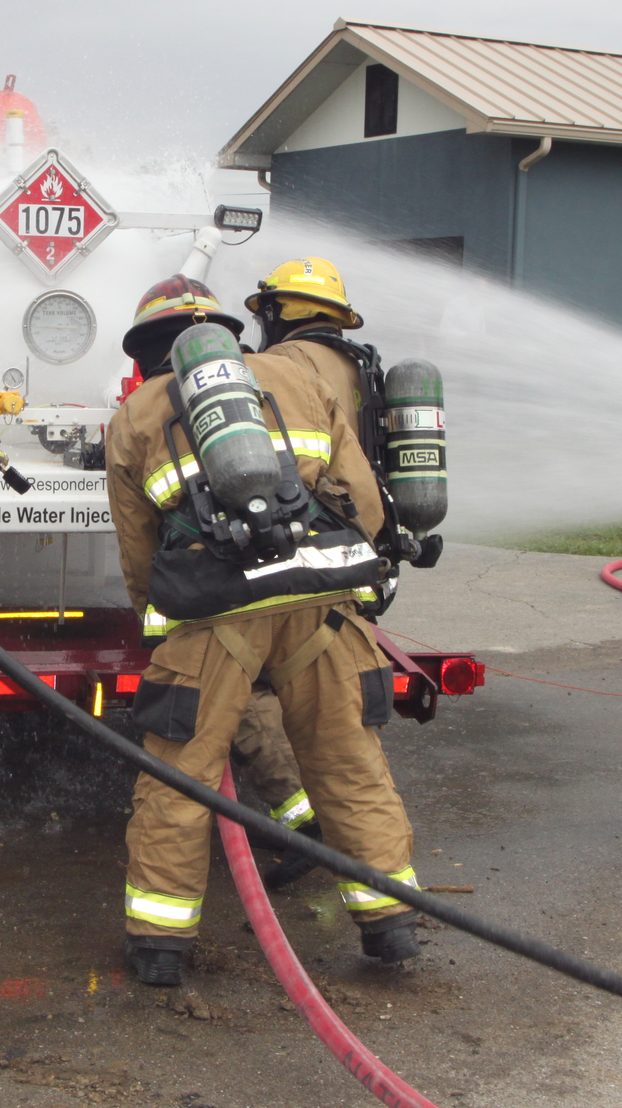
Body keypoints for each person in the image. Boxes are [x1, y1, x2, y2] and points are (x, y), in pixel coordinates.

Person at [105, 274, 419, 986]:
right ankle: (392, 924)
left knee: (178, 781)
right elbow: (364, 503)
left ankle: (158, 948)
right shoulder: (298, 378)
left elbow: (138, 548)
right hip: (325, 610)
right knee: (350, 764)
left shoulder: (136, 414)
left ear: (149, 349)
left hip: (213, 622)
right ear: (227, 332)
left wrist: (161, 631)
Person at [234, 257, 378, 889]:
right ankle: (365, 853)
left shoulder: (284, 370)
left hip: (298, 561)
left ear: (279, 311)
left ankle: (306, 821)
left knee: (248, 689)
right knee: (336, 707)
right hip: (357, 559)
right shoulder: (359, 368)